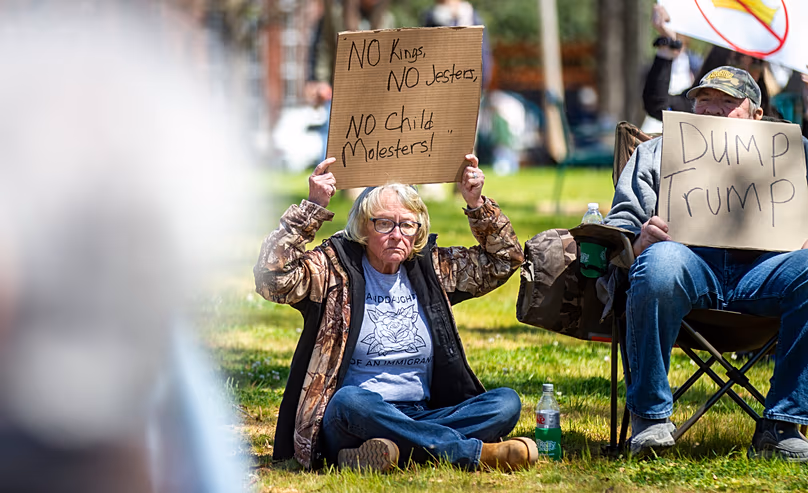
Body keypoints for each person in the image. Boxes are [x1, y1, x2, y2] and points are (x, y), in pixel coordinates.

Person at [254, 154, 538, 471]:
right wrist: (312, 207)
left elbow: (505, 260)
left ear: (418, 231)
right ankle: (470, 453)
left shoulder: (432, 268)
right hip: (355, 414)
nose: (397, 234)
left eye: (407, 225)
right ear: (363, 227)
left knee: (505, 403)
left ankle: (386, 451)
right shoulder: (334, 269)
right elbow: (272, 279)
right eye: (385, 223)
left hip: (424, 410)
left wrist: (476, 204)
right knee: (352, 401)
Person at [605, 66, 808, 460]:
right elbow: (619, 227)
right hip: (686, 264)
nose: (712, 110)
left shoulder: (795, 152)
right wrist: (639, 239)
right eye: (703, 100)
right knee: (659, 262)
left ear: (756, 115)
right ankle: (650, 418)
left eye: (727, 103)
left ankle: (782, 425)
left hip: (768, 272)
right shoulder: (655, 152)